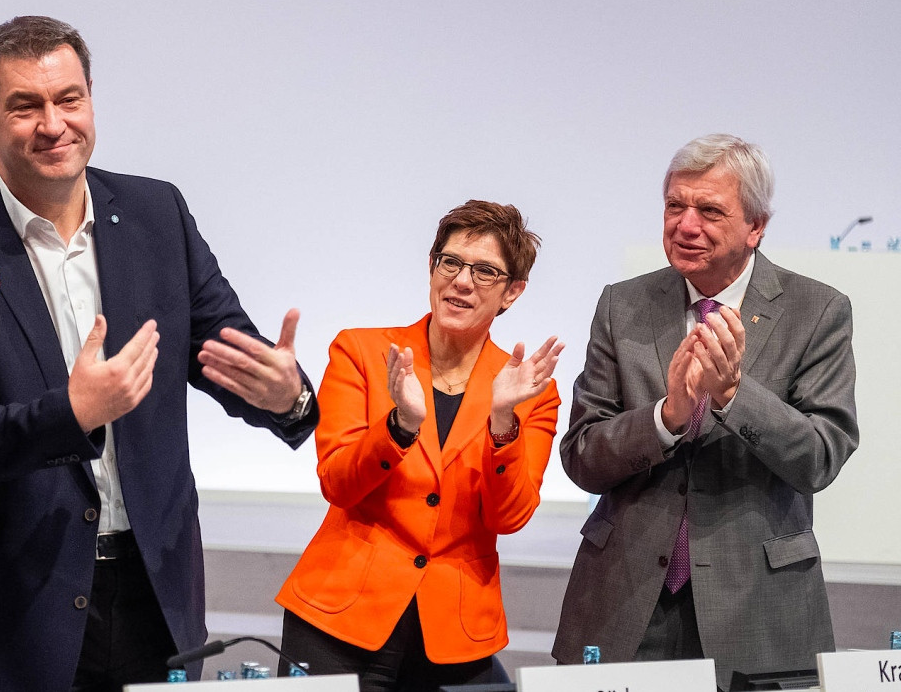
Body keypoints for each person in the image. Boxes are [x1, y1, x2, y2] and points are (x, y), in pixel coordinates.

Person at [0, 15, 318, 691]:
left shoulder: (157, 213)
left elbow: (228, 349)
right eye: (25, 106)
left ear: (91, 98)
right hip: (16, 607)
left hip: (155, 592)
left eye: (69, 99)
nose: (54, 124)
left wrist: (285, 398)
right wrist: (72, 412)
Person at [552, 134, 858, 690]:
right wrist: (666, 417)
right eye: (675, 205)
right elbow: (581, 456)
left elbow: (820, 455)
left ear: (756, 226)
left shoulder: (818, 311)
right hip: (624, 606)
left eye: (709, 210)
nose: (685, 225)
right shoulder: (623, 305)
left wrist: (734, 396)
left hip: (758, 613)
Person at [275, 200, 563, 691]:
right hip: (339, 614)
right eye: (450, 261)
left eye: (485, 271)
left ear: (513, 292)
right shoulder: (362, 352)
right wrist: (399, 427)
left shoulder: (528, 390)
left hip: (454, 628)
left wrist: (501, 422)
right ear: (432, 266)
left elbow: (509, 517)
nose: (462, 281)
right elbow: (338, 483)